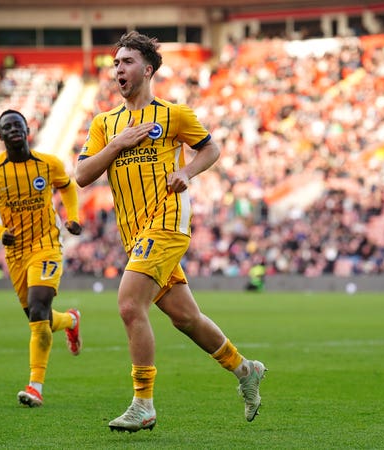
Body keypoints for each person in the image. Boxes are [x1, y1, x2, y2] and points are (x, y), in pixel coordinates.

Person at [75, 31, 267, 432]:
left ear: (147, 69)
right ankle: (245, 369)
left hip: (167, 223)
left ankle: (142, 404)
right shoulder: (104, 123)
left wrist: (186, 171)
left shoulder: (173, 114)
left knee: (129, 304)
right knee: (186, 318)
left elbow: (210, 149)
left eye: (126, 62)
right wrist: (117, 145)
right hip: (134, 233)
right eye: (115, 63)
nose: (118, 69)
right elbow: (81, 175)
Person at [0, 109, 83, 408]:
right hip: (15, 253)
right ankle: (71, 320)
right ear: (0, 136)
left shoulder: (48, 164)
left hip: (47, 245)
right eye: (7, 127)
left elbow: (68, 187)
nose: (13, 130)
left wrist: (71, 217)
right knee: (41, 318)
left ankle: (35, 386)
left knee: (37, 311)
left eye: (17, 125)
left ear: (27, 130)